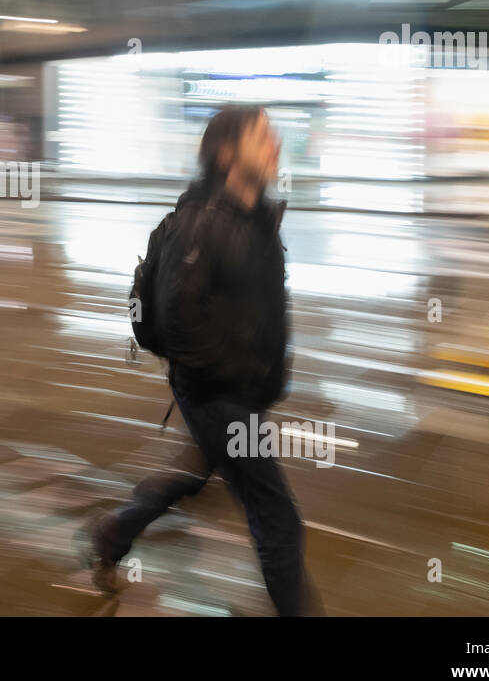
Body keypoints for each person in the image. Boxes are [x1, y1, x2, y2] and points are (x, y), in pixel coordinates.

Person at [87, 105, 318, 616]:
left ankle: (112, 533)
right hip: (219, 398)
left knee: (192, 476)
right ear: (228, 152)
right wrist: (230, 382)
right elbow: (177, 321)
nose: (276, 144)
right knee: (277, 520)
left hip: (237, 395)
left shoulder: (257, 220)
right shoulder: (202, 223)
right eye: (263, 136)